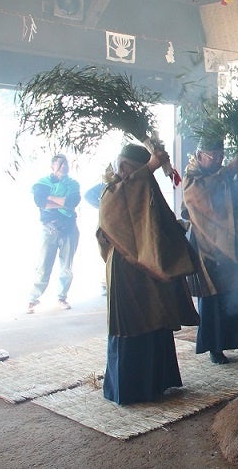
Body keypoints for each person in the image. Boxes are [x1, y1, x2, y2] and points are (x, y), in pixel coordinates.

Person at [97, 144, 200, 404]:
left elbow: (159, 223)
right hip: (126, 270)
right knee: (130, 324)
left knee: (155, 320)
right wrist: (148, 169)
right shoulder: (115, 192)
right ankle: (128, 390)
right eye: (119, 165)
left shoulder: (146, 187)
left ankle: (156, 384)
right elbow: (112, 211)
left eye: (127, 167)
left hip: (152, 270)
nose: (120, 172)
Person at [181, 138, 238, 365]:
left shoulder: (223, 174)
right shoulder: (193, 178)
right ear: (200, 155)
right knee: (214, 299)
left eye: (221, 155)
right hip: (209, 246)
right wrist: (230, 170)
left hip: (234, 243)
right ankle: (215, 347)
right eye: (213, 155)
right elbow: (203, 196)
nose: (219, 160)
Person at [27, 154, 81, 314]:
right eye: (60, 165)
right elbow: (39, 201)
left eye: (66, 165)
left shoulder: (73, 184)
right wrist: (61, 201)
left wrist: (50, 200)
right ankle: (33, 299)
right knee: (44, 265)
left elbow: (73, 202)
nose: (64, 167)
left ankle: (62, 297)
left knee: (67, 266)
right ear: (52, 167)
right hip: (49, 228)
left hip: (69, 228)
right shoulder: (42, 183)